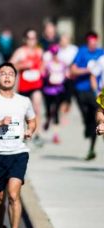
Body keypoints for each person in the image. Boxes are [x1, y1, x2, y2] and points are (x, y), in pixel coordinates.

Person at [0, 62, 36, 228]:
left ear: (16, 78)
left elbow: (32, 120)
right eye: (3, 74)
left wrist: (30, 130)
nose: (7, 77)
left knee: (14, 194)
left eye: (10, 74)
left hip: (18, 153)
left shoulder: (24, 101)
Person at [70, 31, 104, 160]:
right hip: (81, 89)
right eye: (90, 42)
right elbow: (73, 70)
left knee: (96, 117)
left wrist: (98, 91)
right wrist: (87, 70)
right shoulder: (81, 52)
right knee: (87, 116)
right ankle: (87, 126)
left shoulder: (101, 53)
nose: (93, 44)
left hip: (97, 92)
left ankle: (92, 148)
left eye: (95, 41)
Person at [10, 29, 44, 147]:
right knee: (24, 110)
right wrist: (22, 65)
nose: (32, 41)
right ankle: (25, 132)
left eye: (34, 38)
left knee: (37, 107)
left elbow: (43, 65)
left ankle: (37, 133)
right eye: (29, 38)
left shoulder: (39, 51)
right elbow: (10, 65)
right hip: (24, 86)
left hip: (36, 85)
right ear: (25, 39)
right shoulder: (20, 52)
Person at [42, 44, 67, 143]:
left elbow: (66, 76)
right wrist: (47, 76)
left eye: (57, 53)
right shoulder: (48, 64)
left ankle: (56, 135)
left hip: (58, 91)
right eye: (54, 53)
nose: (55, 55)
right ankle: (48, 120)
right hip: (48, 91)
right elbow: (43, 75)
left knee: (56, 111)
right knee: (49, 111)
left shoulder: (63, 64)